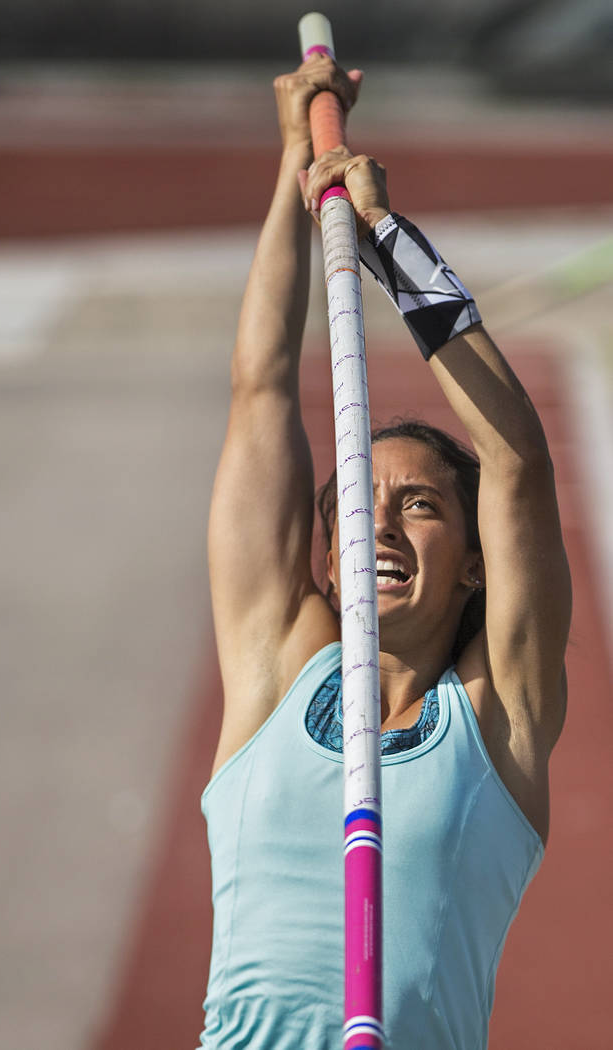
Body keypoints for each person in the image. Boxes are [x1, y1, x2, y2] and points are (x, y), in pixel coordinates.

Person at [199, 55, 570, 1050]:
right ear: (324, 553)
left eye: (419, 508)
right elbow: (262, 390)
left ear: (475, 561)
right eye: (361, 505)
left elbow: (515, 461)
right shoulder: (275, 667)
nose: (381, 526)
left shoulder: (497, 718)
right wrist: (297, 170)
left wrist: (390, 245)